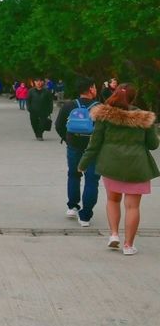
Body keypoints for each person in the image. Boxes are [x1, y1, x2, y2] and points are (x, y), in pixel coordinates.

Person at [78, 84, 159, 255]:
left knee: (113, 200)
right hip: (137, 166)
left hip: (111, 164)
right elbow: (153, 145)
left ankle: (114, 235)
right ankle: (128, 246)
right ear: (133, 98)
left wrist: (83, 164)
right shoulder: (144, 118)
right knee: (132, 207)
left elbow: (94, 144)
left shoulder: (104, 116)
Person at [55, 78, 101, 227]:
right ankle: (85, 216)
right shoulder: (100, 107)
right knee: (92, 180)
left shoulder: (70, 105)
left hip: (74, 146)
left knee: (74, 175)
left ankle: (72, 206)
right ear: (90, 89)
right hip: (93, 149)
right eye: (94, 87)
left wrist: (67, 139)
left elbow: (59, 125)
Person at [26, 77, 55, 141]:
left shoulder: (47, 91)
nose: (38, 83)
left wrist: (50, 110)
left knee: (42, 123)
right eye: (37, 81)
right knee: (34, 123)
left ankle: (39, 135)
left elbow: (50, 101)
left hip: (44, 111)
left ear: (42, 82)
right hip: (33, 111)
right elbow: (28, 100)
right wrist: (29, 108)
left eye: (40, 81)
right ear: (35, 82)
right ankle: (37, 133)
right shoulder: (31, 91)